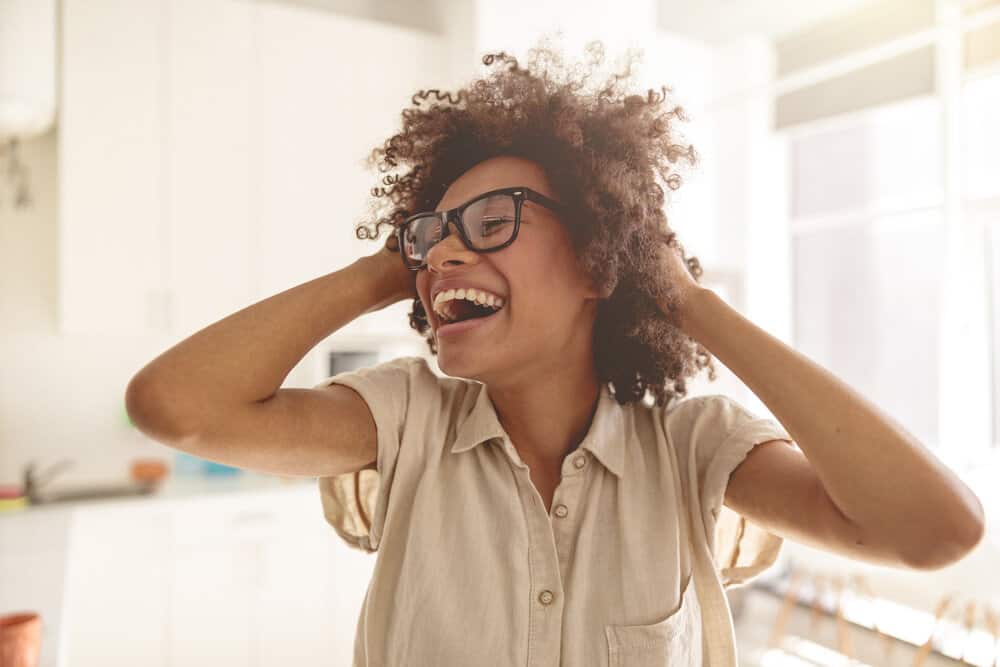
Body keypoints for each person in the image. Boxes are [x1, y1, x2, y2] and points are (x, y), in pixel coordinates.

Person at [126, 37, 985, 667]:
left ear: (595, 259)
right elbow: (175, 406)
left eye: (491, 223)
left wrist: (688, 299)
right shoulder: (407, 418)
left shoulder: (691, 449)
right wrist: (380, 269)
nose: (445, 257)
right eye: (432, 239)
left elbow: (936, 531)